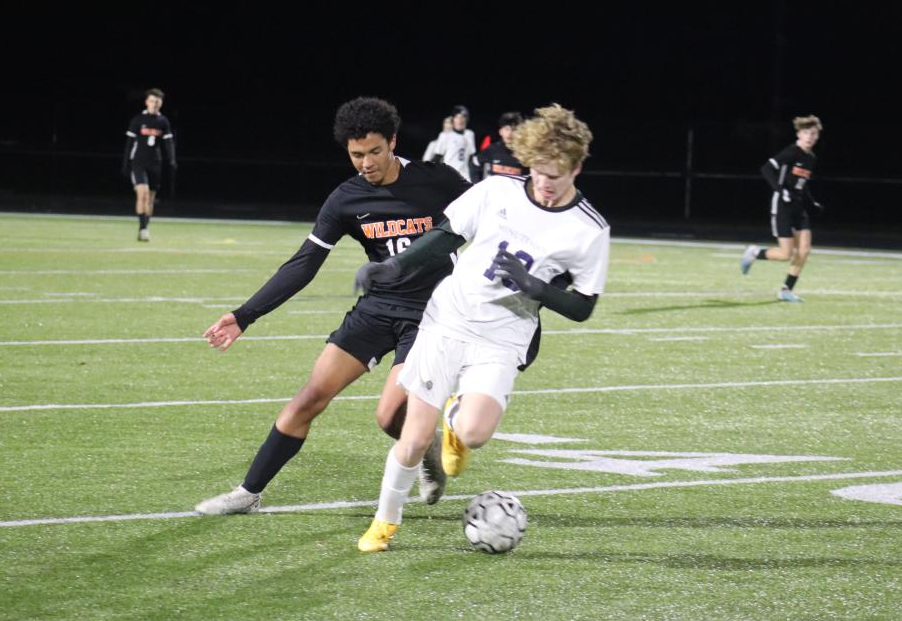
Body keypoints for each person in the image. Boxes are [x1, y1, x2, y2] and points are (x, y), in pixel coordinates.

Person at [194, 97, 472, 516]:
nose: (366, 163)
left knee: (388, 416)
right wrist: (245, 315)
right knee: (309, 398)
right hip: (377, 310)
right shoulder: (346, 199)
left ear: (393, 142)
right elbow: (304, 264)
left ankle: (423, 446)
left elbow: (491, 215)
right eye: (356, 154)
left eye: (375, 151)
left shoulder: (440, 181)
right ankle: (247, 492)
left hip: (433, 318)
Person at [353, 104, 609, 552]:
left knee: (473, 434)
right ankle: (384, 523)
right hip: (447, 319)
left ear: (578, 167)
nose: (546, 184)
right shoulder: (496, 191)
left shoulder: (588, 230)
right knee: (412, 441)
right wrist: (393, 267)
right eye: (539, 172)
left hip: (504, 334)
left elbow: (583, 307)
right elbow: (447, 236)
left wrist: (534, 286)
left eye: (558, 174)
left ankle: (456, 419)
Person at [740, 115, 824, 301]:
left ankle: (786, 290)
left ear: (817, 136)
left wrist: (812, 202)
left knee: (805, 250)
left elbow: (803, 183)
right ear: (799, 134)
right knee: (786, 254)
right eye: (806, 133)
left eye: (813, 134)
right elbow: (766, 169)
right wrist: (781, 190)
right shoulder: (791, 152)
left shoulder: (811, 158)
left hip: (798, 207)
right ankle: (755, 252)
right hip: (783, 205)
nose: (810, 137)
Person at [122, 88, 176, 242]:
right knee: (143, 193)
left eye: (158, 102)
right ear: (147, 102)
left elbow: (168, 142)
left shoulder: (163, 121)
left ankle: (145, 227)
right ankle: (142, 228)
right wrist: (126, 163)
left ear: (161, 103)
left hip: (155, 164)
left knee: (150, 198)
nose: (155, 104)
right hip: (138, 162)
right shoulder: (138, 120)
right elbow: (129, 143)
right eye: (152, 101)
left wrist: (172, 160)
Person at [469, 111, 526, 183]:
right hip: (495, 193)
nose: (510, 133)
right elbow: (474, 163)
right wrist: (477, 185)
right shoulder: (492, 149)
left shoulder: (524, 153)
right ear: (500, 131)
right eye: (506, 129)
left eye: (514, 130)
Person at [427, 105, 476, 181]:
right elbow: (437, 158)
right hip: (449, 176)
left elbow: (471, 159)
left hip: (465, 177)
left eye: (463, 117)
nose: (460, 120)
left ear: (466, 119)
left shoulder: (470, 134)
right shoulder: (445, 135)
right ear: (453, 119)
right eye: (457, 117)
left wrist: (475, 178)